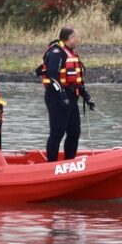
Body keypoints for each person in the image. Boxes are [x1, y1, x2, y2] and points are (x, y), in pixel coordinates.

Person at [36, 26, 94, 162]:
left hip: (71, 97)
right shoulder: (57, 52)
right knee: (57, 133)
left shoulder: (71, 54)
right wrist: (62, 96)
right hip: (56, 98)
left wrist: (86, 97)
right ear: (70, 38)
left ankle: (69, 162)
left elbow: (76, 81)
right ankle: (51, 164)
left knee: (74, 132)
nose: (78, 40)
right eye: (76, 37)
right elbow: (52, 76)